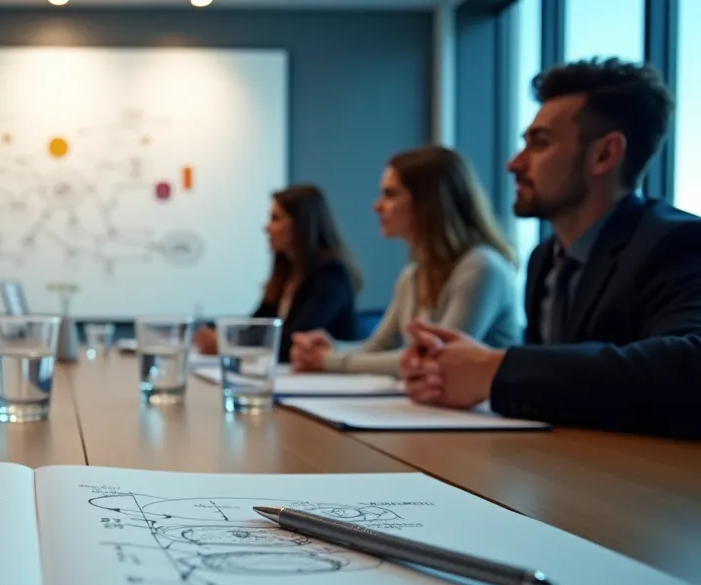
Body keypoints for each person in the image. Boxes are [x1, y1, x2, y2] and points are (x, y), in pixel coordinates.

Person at [505, 58, 701, 346]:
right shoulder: (543, 260)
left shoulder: (677, 244)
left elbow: (686, 360)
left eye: (540, 143)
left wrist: (497, 367)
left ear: (605, 155)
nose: (515, 164)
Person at [289, 146, 520, 375]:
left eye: (390, 194)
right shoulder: (413, 274)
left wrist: (329, 361)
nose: (377, 206)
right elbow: (378, 347)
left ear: (429, 202)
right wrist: (332, 348)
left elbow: (436, 359)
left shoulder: (481, 267)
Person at [400, 321, 701, 441]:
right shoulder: (546, 258)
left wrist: (492, 370)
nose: (511, 178)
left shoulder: (677, 239)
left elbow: (685, 370)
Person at [193, 185, 362, 361]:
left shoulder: (331, 275)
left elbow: (294, 341)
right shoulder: (286, 274)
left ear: (301, 224)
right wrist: (218, 333)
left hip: (330, 382)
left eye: (276, 219)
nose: (267, 227)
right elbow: (257, 326)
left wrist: (226, 343)